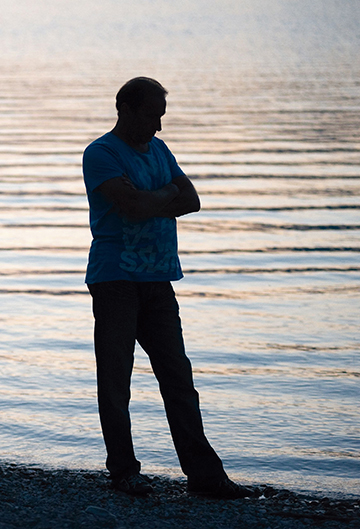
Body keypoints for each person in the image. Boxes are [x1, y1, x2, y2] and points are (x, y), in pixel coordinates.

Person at [82, 77, 251, 498]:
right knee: (116, 381)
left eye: (161, 115)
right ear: (124, 108)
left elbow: (191, 200)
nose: (158, 126)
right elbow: (133, 207)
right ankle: (123, 471)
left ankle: (205, 476)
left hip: (159, 279)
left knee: (178, 378)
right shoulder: (101, 153)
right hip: (115, 279)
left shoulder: (158, 150)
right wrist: (162, 197)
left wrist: (152, 197)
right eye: (152, 114)